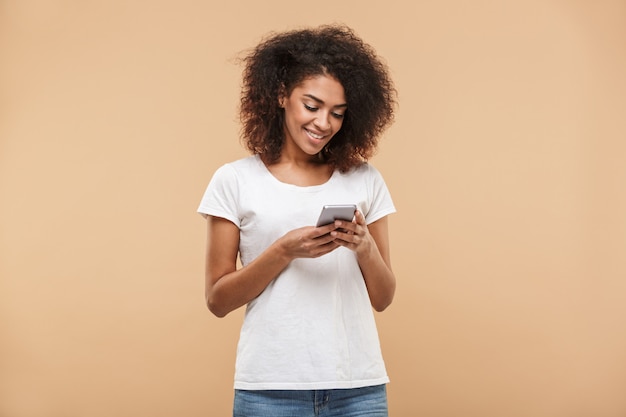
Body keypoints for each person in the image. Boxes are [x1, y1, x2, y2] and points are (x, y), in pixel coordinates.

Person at [198, 24, 397, 417]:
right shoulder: (235, 180)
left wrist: (363, 246)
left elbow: (384, 297)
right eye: (312, 106)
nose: (324, 123)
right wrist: (284, 251)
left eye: (337, 113)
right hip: (270, 390)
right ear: (280, 95)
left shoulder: (364, 179)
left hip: (357, 388)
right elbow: (217, 300)